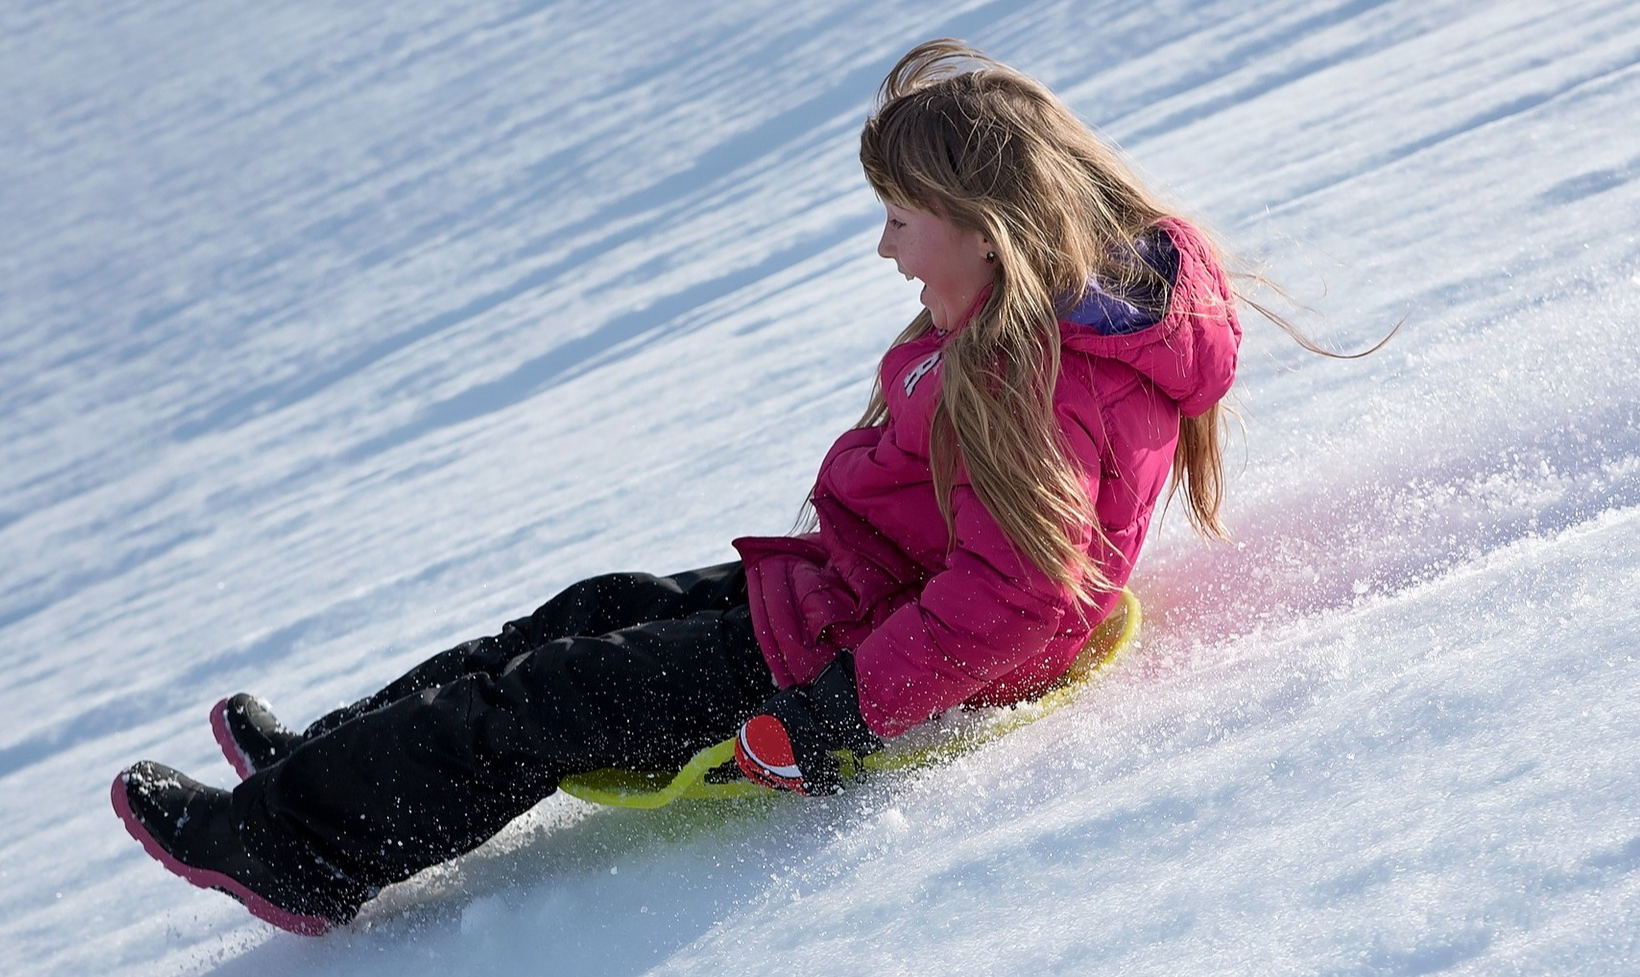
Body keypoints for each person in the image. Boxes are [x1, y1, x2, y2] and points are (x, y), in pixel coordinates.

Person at [112, 38, 1246, 936]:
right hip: (857, 594)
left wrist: (839, 716)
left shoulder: (1033, 377)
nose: (887, 251)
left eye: (903, 220)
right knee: (588, 609)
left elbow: (1015, 601)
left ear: (992, 233)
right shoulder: (1048, 325)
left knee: (544, 697)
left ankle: (292, 848)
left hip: (851, 656)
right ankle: (324, 758)